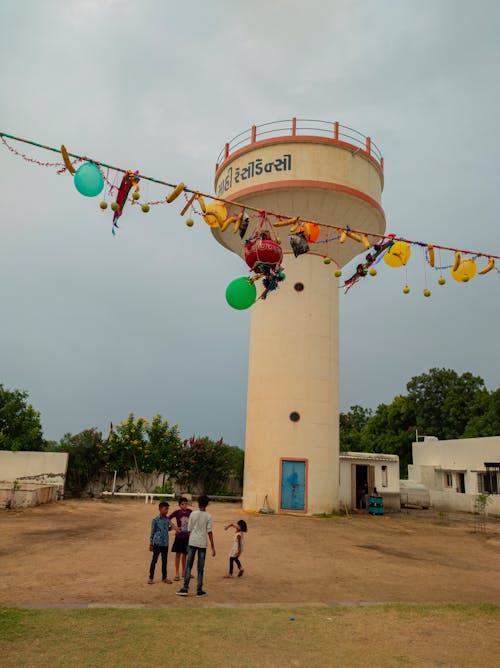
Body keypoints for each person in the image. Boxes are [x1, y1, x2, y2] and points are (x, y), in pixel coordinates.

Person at [176, 495, 215, 597]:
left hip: (192, 541)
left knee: (189, 565)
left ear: (198, 503)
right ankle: (199, 590)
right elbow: (209, 532)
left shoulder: (193, 513)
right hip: (202, 543)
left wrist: (190, 540)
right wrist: (212, 546)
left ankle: (185, 588)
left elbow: (189, 529)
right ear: (207, 504)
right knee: (200, 567)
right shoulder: (208, 516)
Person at [148, 501, 176, 584]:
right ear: (160, 509)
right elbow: (152, 533)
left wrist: (173, 528)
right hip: (157, 543)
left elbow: (167, 529)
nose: (167, 511)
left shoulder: (167, 519)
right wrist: (151, 543)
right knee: (154, 560)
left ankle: (164, 578)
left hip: (165, 544)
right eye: (165, 509)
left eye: (168, 509)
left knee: (164, 561)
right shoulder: (155, 520)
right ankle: (151, 577)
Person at [169, 496, 192, 581]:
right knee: (178, 554)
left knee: (185, 555)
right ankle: (177, 573)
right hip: (179, 537)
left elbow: (194, 521)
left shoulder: (190, 512)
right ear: (179, 505)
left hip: (187, 537)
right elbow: (168, 518)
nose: (184, 506)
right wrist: (174, 527)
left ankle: (184, 572)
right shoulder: (177, 512)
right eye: (182, 504)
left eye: (186, 504)